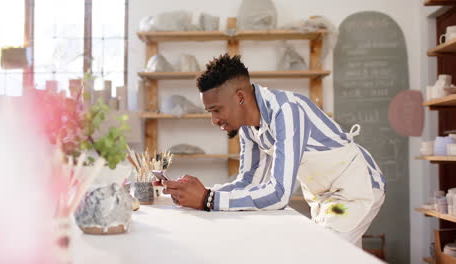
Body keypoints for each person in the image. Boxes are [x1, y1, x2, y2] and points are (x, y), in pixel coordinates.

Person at [154, 54, 386, 247]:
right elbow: (248, 182)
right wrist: (201, 191)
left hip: (356, 189)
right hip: (323, 198)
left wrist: (208, 199)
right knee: (339, 255)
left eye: (216, 110)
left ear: (240, 97)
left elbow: (279, 194)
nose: (213, 120)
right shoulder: (248, 127)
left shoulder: (287, 111)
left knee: (323, 252)